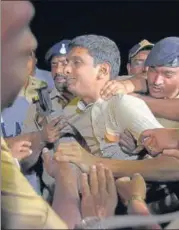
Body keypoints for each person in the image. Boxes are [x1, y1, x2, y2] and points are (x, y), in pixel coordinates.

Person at [100, 37, 179, 123]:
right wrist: (128, 84)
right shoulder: (121, 82)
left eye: (168, 74)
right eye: (152, 70)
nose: (157, 81)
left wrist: (134, 101)